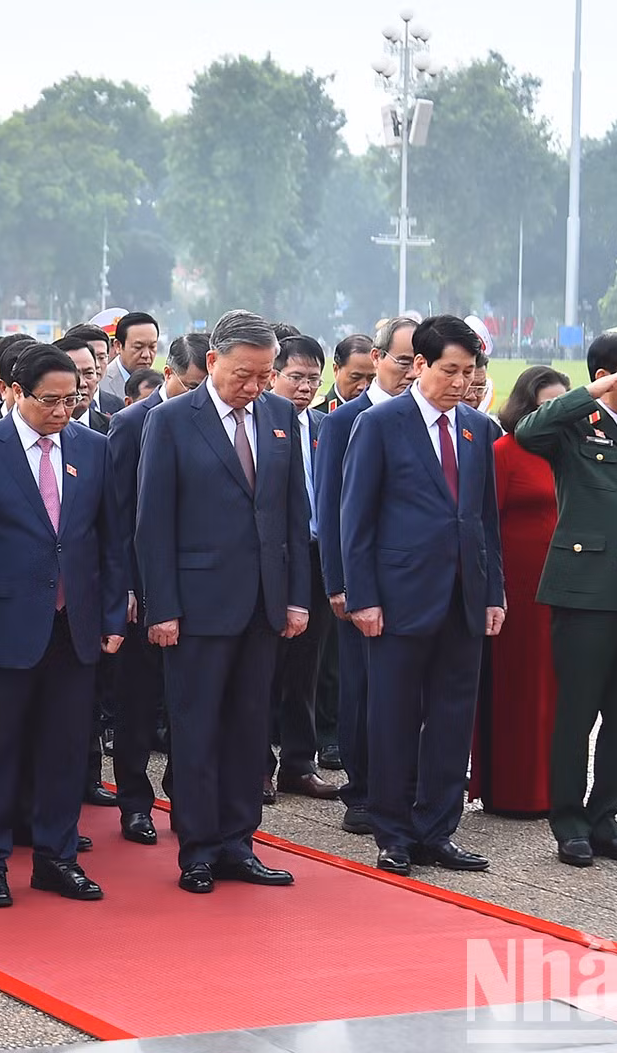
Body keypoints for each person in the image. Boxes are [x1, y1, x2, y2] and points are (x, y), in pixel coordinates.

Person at [0, 344, 124, 908]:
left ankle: (55, 857)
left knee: (65, 749)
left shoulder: (94, 449)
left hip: (74, 625)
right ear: (16, 392)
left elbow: (110, 541)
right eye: (50, 401)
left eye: (71, 400)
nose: (62, 411)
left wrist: (112, 614)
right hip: (0, 626)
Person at [138, 311, 309, 893]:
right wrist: (161, 606)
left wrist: (296, 598)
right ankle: (198, 849)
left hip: (263, 602)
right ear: (212, 362)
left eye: (265, 375)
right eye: (243, 374)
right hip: (197, 605)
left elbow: (293, 516)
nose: (254, 387)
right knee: (196, 729)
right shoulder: (171, 421)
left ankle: (240, 841)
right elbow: (152, 523)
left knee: (248, 728)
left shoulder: (282, 416)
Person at [341, 316, 504, 875]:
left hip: (463, 598)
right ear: (419, 365)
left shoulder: (478, 430)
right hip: (398, 598)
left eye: (470, 372)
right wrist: (361, 596)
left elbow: (485, 520)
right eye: (450, 370)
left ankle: (438, 829)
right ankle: (392, 832)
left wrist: (493, 594)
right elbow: (355, 518)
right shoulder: (381, 424)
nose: (461, 382)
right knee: (393, 718)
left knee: (453, 718)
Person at [514, 331, 617, 868]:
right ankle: (569, 822)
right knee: (577, 713)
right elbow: (526, 432)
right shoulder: (571, 428)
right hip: (584, 594)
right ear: (606, 375)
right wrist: (590, 393)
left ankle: (606, 817)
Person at [315, 317, 419, 836]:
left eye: (417, 361)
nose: (410, 371)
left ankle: (406, 786)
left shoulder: (435, 418)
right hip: (363, 579)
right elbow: (334, 508)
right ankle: (360, 788)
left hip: (418, 583)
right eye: (402, 360)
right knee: (359, 687)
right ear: (377, 358)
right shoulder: (345, 420)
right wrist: (338, 581)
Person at [106, 331, 207, 846]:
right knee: (138, 701)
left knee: (188, 701)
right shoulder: (131, 423)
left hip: (196, 585)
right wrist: (123, 584)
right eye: (190, 384)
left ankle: (184, 792)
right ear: (169, 375)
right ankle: (133, 800)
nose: (199, 393)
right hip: (142, 588)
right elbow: (120, 512)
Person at [474, 365, 570, 816]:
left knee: (559, 688)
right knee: (518, 686)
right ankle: (513, 790)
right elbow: (485, 524)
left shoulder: (575, 452)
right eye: (545, 405)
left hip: (568, 586)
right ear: (526, 408)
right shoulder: (505, 451)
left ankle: (555, 789)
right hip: (519, 586)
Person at [265, 333, 339, 804]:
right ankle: (258, 766)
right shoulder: (259, 426)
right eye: (295, 377)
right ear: (273, 375)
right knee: (264, 667)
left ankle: (298, 762)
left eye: (314, 378)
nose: (305, 387)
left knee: (306, 667)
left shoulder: (321, 426)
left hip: (314, 557)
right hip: (271, 560)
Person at [99, 311, 159, 405]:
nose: (146, 355)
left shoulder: (161, 385)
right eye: (138, 347)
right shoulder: (100, 384)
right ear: (118, 346)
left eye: (152, 347)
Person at [319, 334, 376, 412]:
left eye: (371, 378)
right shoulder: (317, 414)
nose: (363, 386)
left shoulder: (383, 411)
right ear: (336, 370)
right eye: (355, 377)